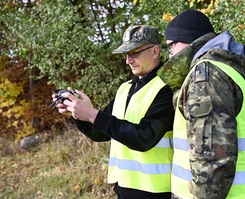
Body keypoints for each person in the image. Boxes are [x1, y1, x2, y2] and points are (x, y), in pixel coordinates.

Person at [157, 10, 245, 199]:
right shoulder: (230, 67)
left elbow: (212, 163)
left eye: (171, 46)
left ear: (188, 42)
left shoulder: (205, 76)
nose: (170, 55)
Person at [52, 25, 174, 199]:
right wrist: (77, 113)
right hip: (124, 188)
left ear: (155, 51)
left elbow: (144, 137)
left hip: (155, 192)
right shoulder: (125, 88)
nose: (128, 60)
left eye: (134, 53)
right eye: (126, 54)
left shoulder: (166, 89)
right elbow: (100, 132)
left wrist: (92, 114)